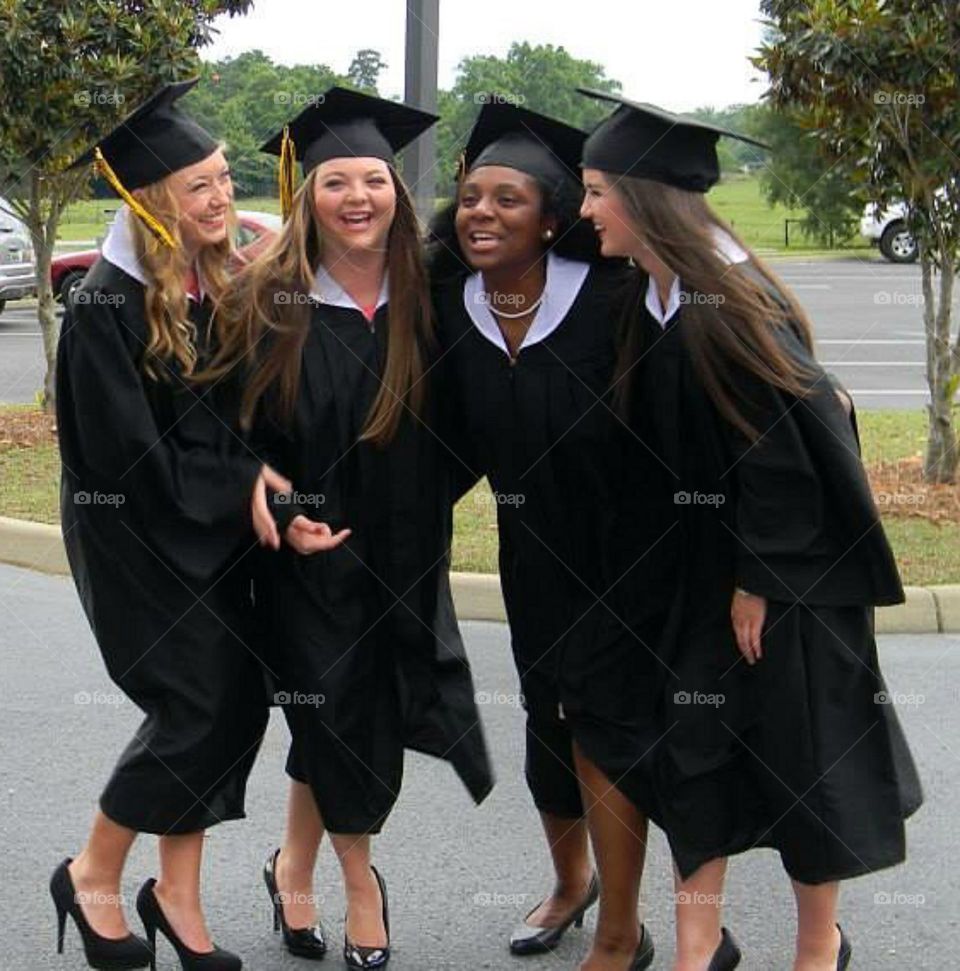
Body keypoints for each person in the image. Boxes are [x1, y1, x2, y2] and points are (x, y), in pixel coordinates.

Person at [577, 88, 924, 971]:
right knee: (692, 759)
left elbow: (789, 441)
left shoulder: (726, 302)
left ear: (646, 199)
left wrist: (759, 578)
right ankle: (697, 946)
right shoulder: (652, 295)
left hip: (782, 582)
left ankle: (819, 949)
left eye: (594, 191)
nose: (584, 211)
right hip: (697, 574)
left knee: (808, 766)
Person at [205, 86, 494, 970]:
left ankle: (291, 867)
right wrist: (285, 514)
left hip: (407, 551)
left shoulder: (434, 288)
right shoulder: (266, 299)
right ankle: (362, 884)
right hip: (309, 560)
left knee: (347, 714)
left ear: (398, 195)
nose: (358, 196)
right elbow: (223, 434)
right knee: (337, 715)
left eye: (375, 179)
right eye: (337, 181)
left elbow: (474, 415)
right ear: (308, 196)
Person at [53, 79, 286, 971]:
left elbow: (236, 418)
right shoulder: (106, 305)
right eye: (200, 186)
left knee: (231, 705)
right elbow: (126, 462)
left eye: (225, 176)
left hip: (211, 533)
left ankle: (177, 896)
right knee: (191, 709)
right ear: (155, 202)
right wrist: (243, 483)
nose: (223, 196)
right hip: (138, 540)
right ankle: (92, 872)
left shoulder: (210, 279)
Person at [429, 99, 654, 971]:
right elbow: (445, 443)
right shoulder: (457, 311)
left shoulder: (614, 297)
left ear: (554, 217)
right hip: (534, 555)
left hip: (629, 550)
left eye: (508, 199)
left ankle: (620, 934)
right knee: (544, 722)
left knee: (602, 728)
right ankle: (572, 884)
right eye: (472, 196)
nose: (482, 212)